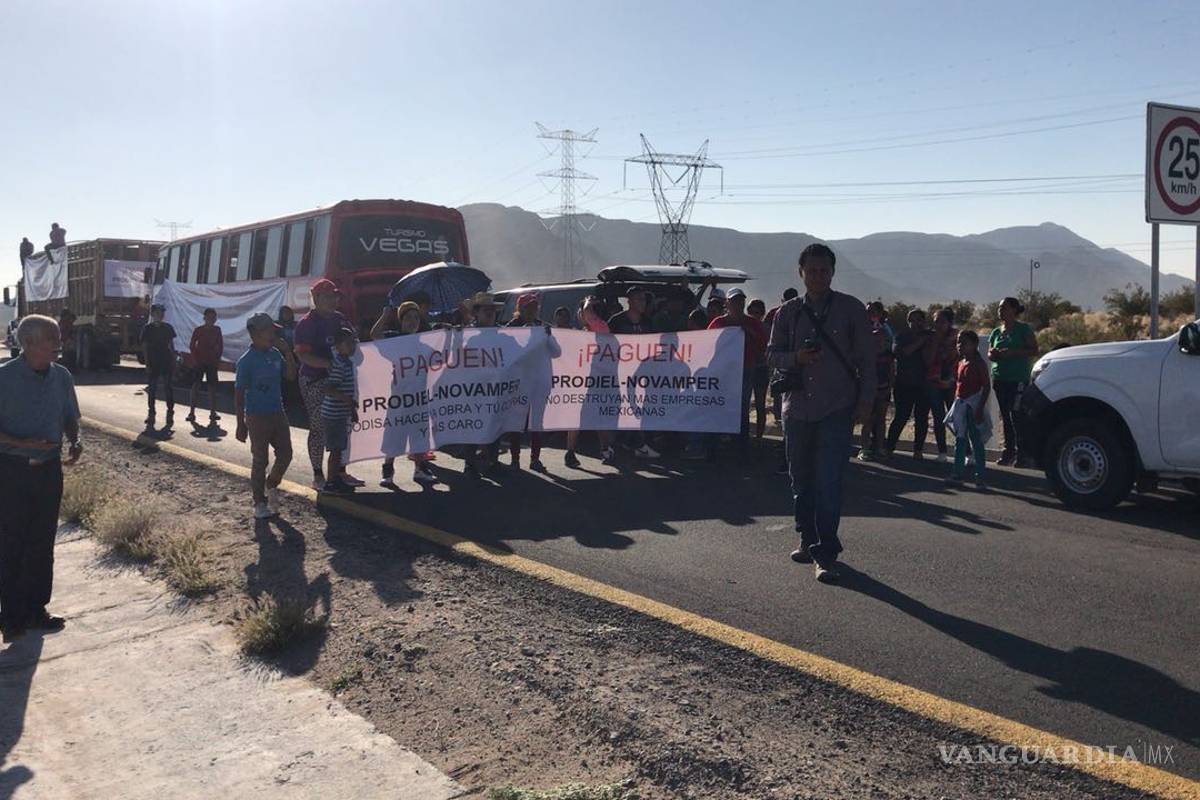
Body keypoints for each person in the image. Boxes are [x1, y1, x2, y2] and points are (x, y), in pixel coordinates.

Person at [767, 244, 875, 584]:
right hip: (797, 408)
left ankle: (825, 552)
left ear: (832, 272)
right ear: (801, 273)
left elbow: (867, 362)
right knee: (801, 480)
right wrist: (795, 358)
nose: (818, 276)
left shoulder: (851, 309)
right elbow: (771, 355)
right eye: (811, 270)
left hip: (836, 406)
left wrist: (866, 402)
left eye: (824, 270)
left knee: (828, 482)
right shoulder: (787, 313)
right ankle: (806, 535)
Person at [0, 315, 83, 643]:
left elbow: (69, 417)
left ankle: (36, 610)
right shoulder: (4, 378)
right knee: (11, 543)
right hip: (11, 471)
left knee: (42, 542)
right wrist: (23, 443)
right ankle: (11, 616)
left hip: (49, 472)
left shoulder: (61, 376)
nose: (58, 344)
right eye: (52, 338)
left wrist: (75, 442)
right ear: (31, 343)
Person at [234, 313, 296, 519]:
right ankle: (259, 502)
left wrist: (288, 353)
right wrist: (240, 423)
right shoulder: (246, 361)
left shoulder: (276, 354)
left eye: (273, 330)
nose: (273, 334)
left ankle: (272, 483)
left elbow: (290, 376)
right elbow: (239, 394)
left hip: (277, 412)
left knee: (286, 453)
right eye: (268, 330)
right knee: (260, 459)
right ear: (255, 334)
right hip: (256, 416)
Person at [372, 301, 438, 488]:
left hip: (419, 399)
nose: (412, 321)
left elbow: (444, 356)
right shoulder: (395, 340)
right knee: (394, 435)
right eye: (408, 318)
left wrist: (453, 335)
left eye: (416, 318)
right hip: (399, 399)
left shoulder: (424, 343)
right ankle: (387, 470)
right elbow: (375, 335)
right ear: (401, 320)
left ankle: (420, 469)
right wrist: (385, 316)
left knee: (420, 435)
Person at [293, 279, 351, 490]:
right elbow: (303, 356)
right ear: (316, 298)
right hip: (314, 380)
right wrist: (329, 363)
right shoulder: (307, 323)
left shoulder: (341, 319)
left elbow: (353, 345)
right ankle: (318, 474)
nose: (332, 300)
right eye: (327, 296)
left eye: (335, 296)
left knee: (343, 425)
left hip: (341, 380)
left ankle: (340, 471)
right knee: (319, 426)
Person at [703, 288, 767, 458]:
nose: (738, 304)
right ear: (727, 303)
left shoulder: (752, 323)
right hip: (722, 372)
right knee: (718, 406)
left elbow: (763, 346)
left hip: (745, 370)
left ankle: (741, 450)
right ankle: (714, 449)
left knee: (742, 410)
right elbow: (705, 344)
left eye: (741, 301)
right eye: (734, 301)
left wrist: (749, 333)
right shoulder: (718, 322)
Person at [607, 287, 660, 460]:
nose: (643, 303)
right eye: (639, 299)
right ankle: (616, 445)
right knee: (620, 409)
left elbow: (654, 346)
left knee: (639, 409)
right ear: (629, 301)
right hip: (620, 373)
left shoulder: (648, 322)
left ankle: (637, 444)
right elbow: (606, 345)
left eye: (644, 300)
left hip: (642, 375)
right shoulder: (616, 321)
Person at [564, 295, 615, 468]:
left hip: (597, 380)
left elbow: (588, 314)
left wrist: (588, 303)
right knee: (578, 416)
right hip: (581, 380)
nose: (584, 313)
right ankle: (571, 452)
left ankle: (605, 449)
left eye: (590, 309)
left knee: (598, 414)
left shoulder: (600, 327)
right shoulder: (581, 331)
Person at [988, 297, 1038, 467]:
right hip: (1000, 378)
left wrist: (1012, 353)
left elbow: (1033, 349)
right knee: (1006, 417)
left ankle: (1023, 453)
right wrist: (994, 354)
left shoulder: (1023, 329)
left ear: (1014, 310)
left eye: (1004, 307)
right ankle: (1008, 451)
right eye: (999, 307)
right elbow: (989, 352)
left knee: (1017, 416)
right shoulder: (996, 332)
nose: (1000, 310)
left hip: (1018, 379)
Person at [946, 329, 992, 488]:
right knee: (960, 440)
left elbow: (986, 386)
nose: (959, 345)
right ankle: (957, 472)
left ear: (974, 345)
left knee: (976, 441)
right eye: (958, 342)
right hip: (961, 403)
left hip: (973, 405)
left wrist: (979, 408)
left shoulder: (978, 363)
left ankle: (980, 475)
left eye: (963, 342)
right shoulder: (960, 362)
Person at [506, 293, 546, 471]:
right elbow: (506, 351)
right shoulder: (511, 327)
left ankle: (535, 458)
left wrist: (549, 336)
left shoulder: (542, 327)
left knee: (536, 422)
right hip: (518, 382)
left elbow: (556, 352)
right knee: (516, 422)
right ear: (520, 310)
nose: (532, 311)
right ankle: (515, 459)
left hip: (537, 380)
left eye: (534, 307)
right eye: (528, 307)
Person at [884, 309, 932, 459]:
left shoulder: (930, 337)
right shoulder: (901, 336)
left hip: (923, 383)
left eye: (919, 320)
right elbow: (901, 353)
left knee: (922, 418)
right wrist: (919, 343)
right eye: (912, 320)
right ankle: (889, 447)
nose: (916, 323)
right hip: (904, 383)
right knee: (901, 416)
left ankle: (918, 450)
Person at [319, 328, 360, 495]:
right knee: (335, 451)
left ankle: (335, 479)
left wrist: (352, 410)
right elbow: (328, 388)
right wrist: (346, 400)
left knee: (339, 449)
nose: (352, 346)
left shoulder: (348, 363)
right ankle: (330, 483)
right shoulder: (339, 365)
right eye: (348, 343)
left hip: (341, 414)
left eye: (353, 342)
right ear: (338, 346)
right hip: (332, 415)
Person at [857, 301, 895, 462]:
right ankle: (864, 448)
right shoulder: (865, 351)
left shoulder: (887, 351)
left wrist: (890, 386)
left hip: (883, 386)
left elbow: (892, 371)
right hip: (867, 385)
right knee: (867, 418)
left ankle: (879, 447)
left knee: (880, 418)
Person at [921, 308, 958, 462]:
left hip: (951, 381)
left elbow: (960, 358)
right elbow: (927, 361)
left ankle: (965, 451)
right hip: (933, 381)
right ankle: (942, 452)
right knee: (938, 417)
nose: (938, 325)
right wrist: (935, 342)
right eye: (936, 321)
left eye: (942, 322)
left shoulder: (957, 338)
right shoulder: (929, 338)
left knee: (956, 417)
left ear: (949, 323)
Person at [140, 303, 177, 427]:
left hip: (165, 360)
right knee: (152, 388)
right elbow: (144, 346)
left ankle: (170, 411)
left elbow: (171, 345)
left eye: (161, 313)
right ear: (152, 314)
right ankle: (151, 413)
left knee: (168, 387)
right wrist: (146, 363)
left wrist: (174, 358)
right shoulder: (148, 328)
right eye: (157, 313)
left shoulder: (168, 328)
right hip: (153, 361)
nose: (159, 315)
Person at [187, 308, 223, 426]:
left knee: (212, 388)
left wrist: (217, 359)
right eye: (209, 317)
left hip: (211, 362)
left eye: (213, 318)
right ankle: (191, 412)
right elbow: (192, 345)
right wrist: (196, 359)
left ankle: (213, 412)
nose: (212, 320)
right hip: (200, 362)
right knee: (195, 386)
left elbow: (220, 345)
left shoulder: (217, 330)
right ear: (205, 318)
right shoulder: (199, 330)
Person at [746, 298, 771, 438]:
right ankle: (745, 435)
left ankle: (759, 437)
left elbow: (766, 352)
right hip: (746, 369)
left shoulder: (766, 329)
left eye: (757, 312)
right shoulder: (743, 326)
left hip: (761, 369)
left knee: (760, 404)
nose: (754, 315)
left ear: (762, 313)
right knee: (745, 404)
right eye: (751, 312)